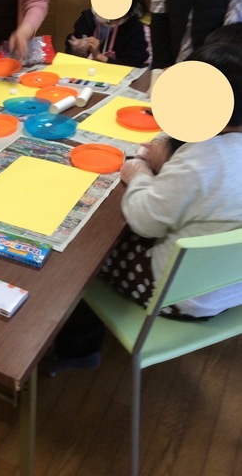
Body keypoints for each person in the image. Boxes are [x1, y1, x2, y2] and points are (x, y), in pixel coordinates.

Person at [42, 40, 242, 375]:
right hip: (230, 289)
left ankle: (78, 348)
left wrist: (139, 175)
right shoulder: (210, 154)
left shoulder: (200, 160)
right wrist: (172, 157)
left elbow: (144, 220)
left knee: (86, 246)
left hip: (179, 296)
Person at [65, 0, 149, 67]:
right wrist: (77, 50)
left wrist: (99, 56)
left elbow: (132, 64)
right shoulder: (87, 18)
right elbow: (70, 54)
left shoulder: (134, 28)